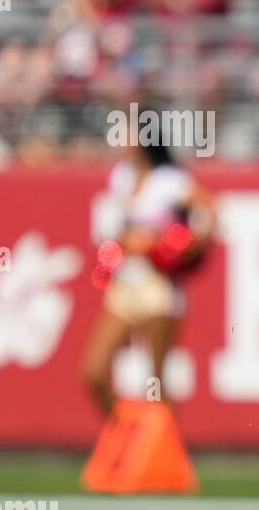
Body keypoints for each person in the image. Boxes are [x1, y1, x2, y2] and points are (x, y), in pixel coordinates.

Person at [79, 123, 215, 418]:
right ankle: (129, 440)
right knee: (94, 372)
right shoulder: (122, 176)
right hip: (125, 284)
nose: (122, 140)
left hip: (158, 285)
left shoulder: (170, 181)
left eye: (128, 133)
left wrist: (177, 246)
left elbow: (209, 214)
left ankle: (166, 452)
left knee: (155, 381)